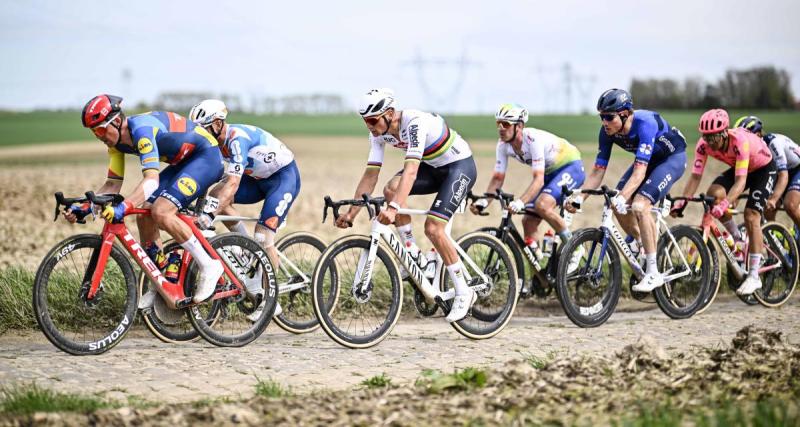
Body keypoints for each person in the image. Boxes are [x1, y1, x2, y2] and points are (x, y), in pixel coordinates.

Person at [334, 88, 477, 322]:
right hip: (432, 168)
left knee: (433, 228)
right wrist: (352, 212)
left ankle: (464, 290)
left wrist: (393, 209)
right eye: (364, 121)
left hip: (458, 167)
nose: (369, 125)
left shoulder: (414, 122)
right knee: (390, 189)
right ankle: (413, 253)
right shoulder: (378, 134)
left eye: (372, 120)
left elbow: (410, 172)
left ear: (390, 114)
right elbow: (371, 175)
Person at [71, 94, 224, 309]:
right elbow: (112, 185)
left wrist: (123, 207)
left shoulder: (142, 132)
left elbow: (151, 181)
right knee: (145, 215)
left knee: (161, 211)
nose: (99, 136)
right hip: (184, 162)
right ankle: (161, 280)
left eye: (101, 130)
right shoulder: (116, 145)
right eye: (95, 132)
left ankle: (210, 266)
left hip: (206, 157)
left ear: (116, 121)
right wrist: (85, 207)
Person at [189, 99, 301, 320]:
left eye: (203, 129)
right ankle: (245, 244)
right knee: (215, 195)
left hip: (282, 178)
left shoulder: (236, 139)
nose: (200, 135)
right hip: (257, 179)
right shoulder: (212, 145)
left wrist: (209, 215)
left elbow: (232, 185)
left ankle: (271, 299)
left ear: (218, 124)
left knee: (262, 236)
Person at [567, 89, 687, 292]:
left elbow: (639, 173)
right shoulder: (607, 132)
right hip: (648, 162)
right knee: (615, 203)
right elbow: (597, 171)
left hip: (671, 159)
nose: (604, 122)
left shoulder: (645, 123)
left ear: (625, 114)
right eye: (601, 117)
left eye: (609, 117)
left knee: (639, 206)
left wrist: (624, 197)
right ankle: (642, 241)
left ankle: (653, 273)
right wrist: (581, 197)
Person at [671, 109, 776, 295]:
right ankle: (737, 237)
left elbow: (741, 182)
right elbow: (695, 177)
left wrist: (725, 204)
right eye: (706, 137)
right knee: (713, 194)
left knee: (751, 216)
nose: (709, 142)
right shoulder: (703, 145)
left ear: (724, 133)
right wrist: (682, 202)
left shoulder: (740, 142)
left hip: (763, 168)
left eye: (713, 137)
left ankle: (754, 276)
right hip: (742, 168)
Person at [471, 103, 584, 267]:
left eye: (506, 124)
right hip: (550, 172)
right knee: (528, 221)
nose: (501, 128)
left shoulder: (532, 140)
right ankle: (539, 266)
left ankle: (575, 246)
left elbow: (538, 180)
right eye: (498, 124)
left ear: (519, 126)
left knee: (543, 205)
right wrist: (484, 202)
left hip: (570, 165)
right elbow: (497, 178)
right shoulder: (502, 145)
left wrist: (520, 202)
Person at [735, 115, 800, 228]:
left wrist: (774, 199)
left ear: (758, 134)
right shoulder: (750, 150)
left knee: (790, 205)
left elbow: (783, 175)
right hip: (782, 173)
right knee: (766, 209)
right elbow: (747, 177)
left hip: (795, 169)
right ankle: (775, 238)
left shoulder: (773, 143)